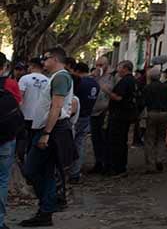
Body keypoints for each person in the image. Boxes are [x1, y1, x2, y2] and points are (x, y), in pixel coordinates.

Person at [21, 47, 76, 227]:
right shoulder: (56, 77)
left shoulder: (60, 77)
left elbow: (56, 107)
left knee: (31, 170)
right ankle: (46, 209)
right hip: (49, 129)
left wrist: (46, 134)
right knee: (46, 172)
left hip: (52, 130)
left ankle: (47, 205)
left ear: (54, 59)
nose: (43, 62)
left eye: (45, 59)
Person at [0, 63, 23, 229]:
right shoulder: (10, 84)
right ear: (3, 67)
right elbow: (18, 107)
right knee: (2, 180)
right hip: (6, 139)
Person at [104, 61, 137, 176]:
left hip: (119, 115)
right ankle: (120, 166)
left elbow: (118, 98)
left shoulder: (125, 81)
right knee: (121, 141)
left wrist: (107, 91)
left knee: (117, 141)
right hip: (125, 115)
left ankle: (117, 167)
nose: (117, 70)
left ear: (125, 68)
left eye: (119, 67)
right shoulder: (132, 80)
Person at [68, 63, 98, 184]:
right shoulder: (95, 83)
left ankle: (67, 170)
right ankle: (75, 172)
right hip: (87, 115)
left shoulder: (79, 83)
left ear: (77, 71)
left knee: (69, 143)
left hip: (75, 116)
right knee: (79, 144)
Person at [141, 68, 167, 174]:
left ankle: (150, 165)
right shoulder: (166, 87)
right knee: (161, 138)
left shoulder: (147, 88)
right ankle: (159, 159)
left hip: (151, 113)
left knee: (149, 139)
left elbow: (142, 102)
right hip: (164, 113)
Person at [89, 57, 113, 174]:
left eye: (101, 65)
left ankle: (106, 163)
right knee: (95, 139)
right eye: (97, 65)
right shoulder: (94, 77)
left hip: (105, 112)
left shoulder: (111, 77)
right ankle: (98, 162)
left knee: (105, 139)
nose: (99, 67)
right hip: (93, 111)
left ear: (106, 65)